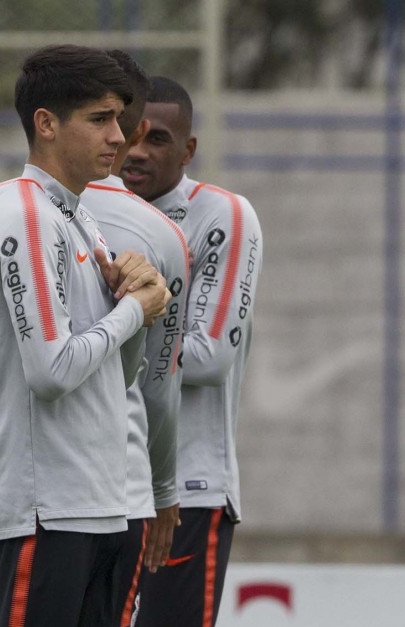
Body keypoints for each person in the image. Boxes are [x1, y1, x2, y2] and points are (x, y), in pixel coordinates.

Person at [0, 44, 171, 627]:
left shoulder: (79, 215)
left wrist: (133, 304)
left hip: (101, 510)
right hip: (39, 516)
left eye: (118, 118)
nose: (120, 136)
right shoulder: (23, 214)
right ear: (46, 124)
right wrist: (132, 312)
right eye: (100, 119)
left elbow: (120, 374)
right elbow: (51, 372)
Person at [119, 76, 264, 627]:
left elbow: (208, 357)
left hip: (188, 490)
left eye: (157, 139)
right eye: (130, 134)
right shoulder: (89, 213)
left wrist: (111, 331)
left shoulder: (223, 215)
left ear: (189, 149)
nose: (137, 150)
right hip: (100, 489)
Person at [80, 51, 190, 627]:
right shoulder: (162, 235)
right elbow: (157, 382)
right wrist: (164, 488)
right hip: (117, 497)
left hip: (7, 497)